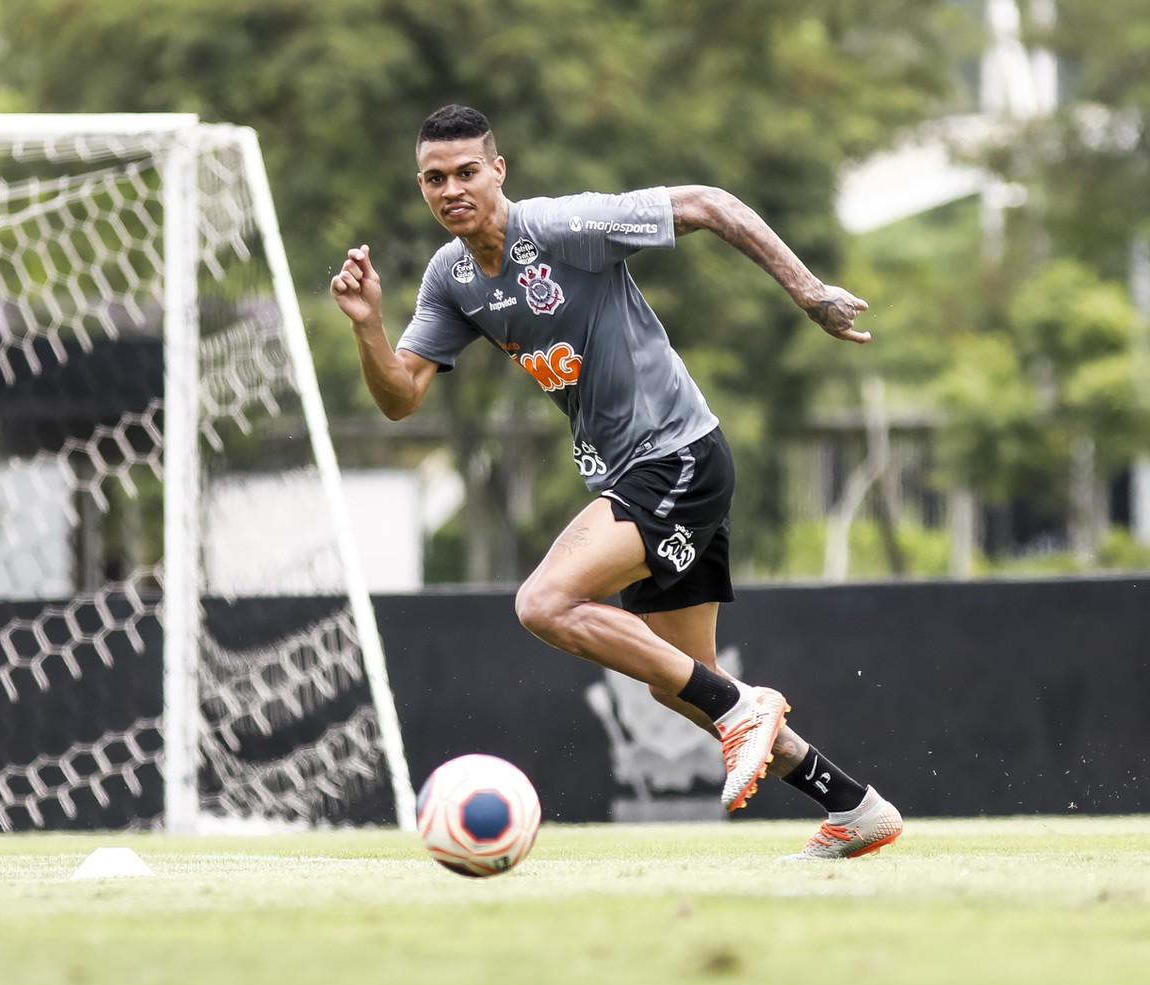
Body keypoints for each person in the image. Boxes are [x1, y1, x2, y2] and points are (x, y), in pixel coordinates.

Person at [331, 104, 902, 860]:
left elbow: (708, 203)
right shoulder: (452, 277)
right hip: (644, 471)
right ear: (422, 187)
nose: (452, 189)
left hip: (677, 457)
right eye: (436, 179)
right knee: (678, 682)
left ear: (498, 171)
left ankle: (742, 707)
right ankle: (854, 808)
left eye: (468, 171)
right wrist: (368, 325)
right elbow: (401, 398)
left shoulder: (563, 227)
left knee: (545, 603)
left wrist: (808, 292)